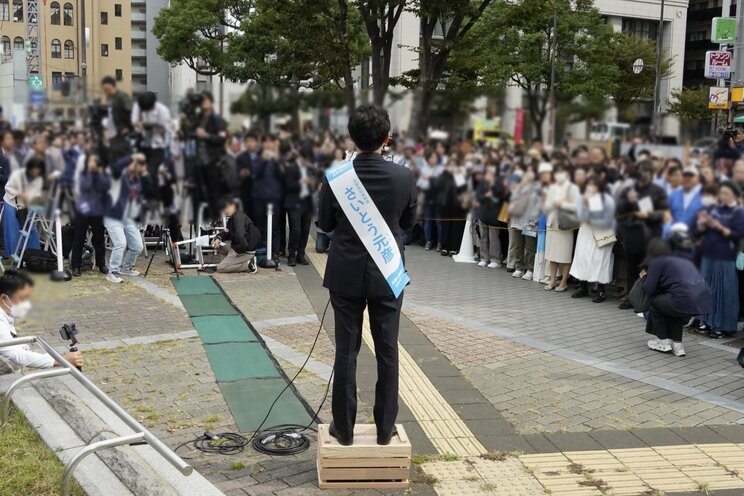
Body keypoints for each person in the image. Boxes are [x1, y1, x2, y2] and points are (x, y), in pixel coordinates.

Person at [317, 104, 417, 446]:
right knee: (388, 350)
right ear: (387, 138)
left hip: (345, 274)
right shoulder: (404, 177)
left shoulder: (336, 177)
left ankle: (343, 429)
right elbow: (408, 225)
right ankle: (385, 429)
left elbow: (326, 225)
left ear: (350, 137)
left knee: (346, 351)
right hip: (387, 274)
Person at [641, 234, 712, 357]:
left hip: (682, 299)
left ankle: (664, 341)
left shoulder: (658, 261)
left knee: (654, 302)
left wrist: (643, 278)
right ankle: (678, 345)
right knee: (672, 307)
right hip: (699, 301)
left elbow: (649, 288)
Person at [0, 270, 84, 370]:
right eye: (22, 298)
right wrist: (62, 360)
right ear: (4, 298)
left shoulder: (6, 314)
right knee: (13, 366)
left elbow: (12, 344)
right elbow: (16, 355)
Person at [616, 160, 669, 309]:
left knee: (649, 269)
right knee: (631, 268)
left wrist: (649, 214)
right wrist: (628, 200)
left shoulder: (658, 191)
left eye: (646, 172)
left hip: (650, 237)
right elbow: (619, 209)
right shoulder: (629, 190)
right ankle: (631, 298)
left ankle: (646, 300)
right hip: (632, 235)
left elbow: (664, 213)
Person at [694, 181, 744, 338]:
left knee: (724, 290)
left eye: (726, 193)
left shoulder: (738, 212)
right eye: (721, 193)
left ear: (734, 195)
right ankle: (704, 320)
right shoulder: (714, 209)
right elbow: (701, 232)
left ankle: (721, 325)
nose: (722, 196)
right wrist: (702, 224)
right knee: (706, 288)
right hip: (709, 254)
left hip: (726, 255)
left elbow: (737, 235)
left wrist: (720, 227)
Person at [103, 153, 152, 284]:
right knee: (120, 243)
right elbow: (117, 167)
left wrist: (145, 172)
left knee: (137, 246)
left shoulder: (137, 181)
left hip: (128, 217)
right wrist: (132, 157)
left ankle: (126, 267)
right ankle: (112, 272)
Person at [570, 177, 616, 303]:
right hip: (585, 232)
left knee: (599, 260)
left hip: (600, 233)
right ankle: (583, 286)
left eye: (593, 185)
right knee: (583, 258)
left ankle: (601, 290)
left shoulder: (606, 199)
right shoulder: (583, 198)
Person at [542, 162, 580, 292]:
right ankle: (552, 280)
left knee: (564, 255)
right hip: (552, 223)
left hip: (565, 224)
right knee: (552, 255)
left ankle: (563, 281)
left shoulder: (573, 188)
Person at [71, 154, 110, 277]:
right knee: (79, 238)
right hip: (83, 209)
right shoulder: (83, 174)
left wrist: (99, 173)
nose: (93, 163)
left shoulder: (102, 174)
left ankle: (101, 264)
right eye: (91, 161)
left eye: (95, 161)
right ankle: (76, 266)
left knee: (99, 238)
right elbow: (85, 186)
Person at [193, 91, 228, 220]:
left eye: (206, 100)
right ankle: (203, 220)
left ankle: (216, 220)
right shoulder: (198, 118)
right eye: (202, 100)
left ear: (211, 102)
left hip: (212, 160)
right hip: (198, 161)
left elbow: (222, 138)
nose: (204, 102)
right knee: (199, 192)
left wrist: (206, 135)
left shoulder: (216, 119)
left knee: (214, 193)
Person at [3, 158, 44, 255]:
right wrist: (21, 194)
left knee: (30, 229)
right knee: (14, 231)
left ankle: (33, 254)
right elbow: (8, 187)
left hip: (27, 205)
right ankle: (15, 254)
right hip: (12, 202)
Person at [252, 135, 284, 261]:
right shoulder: (257, 157)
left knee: (275, 227)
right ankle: (261, 251)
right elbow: (254, 174)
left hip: (275, 197)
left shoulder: (279, 158)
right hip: (260, 197)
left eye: (272, 142)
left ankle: (274, 252)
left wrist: (276, 160)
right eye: (267, 142)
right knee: (260, 225)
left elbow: (283, 175)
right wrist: (263, 160)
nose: (269, 145)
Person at [283, 146, 316, 266]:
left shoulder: (310, 168)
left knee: (305, 229)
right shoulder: (292, 168)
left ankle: (301, 254)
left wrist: (313, 184)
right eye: (305, 159)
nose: (307, 162)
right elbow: (288, 186)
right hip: (295, 203)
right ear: (301, 157)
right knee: (296, 230)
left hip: (307, 202)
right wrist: (301, 182)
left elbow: (314, 181)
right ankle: (291, 255)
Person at [131, 91, 173, 183]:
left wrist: (156, 127)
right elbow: (134, 122)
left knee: (152, 171)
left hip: (157, 145)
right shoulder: (138, 106)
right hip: (142, 143)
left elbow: (167, 129)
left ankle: (153, 195)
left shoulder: (163, 110)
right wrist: (141, 124)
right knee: (139, 169)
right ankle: (142, 193)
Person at [212, 199, 259, 274]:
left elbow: (243, 241)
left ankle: (248, 264)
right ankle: (230, 264)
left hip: (245, 251)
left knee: (220, 268)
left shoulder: (239, 218)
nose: (224, 211)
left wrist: (236, 251)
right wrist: (218, 238)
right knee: (218, 244)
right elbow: (226, 233)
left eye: (225, 208)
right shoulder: (232, 218)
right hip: (239, 247)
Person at [476, 163, 506, 268]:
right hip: (483, 213)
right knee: (483, 236)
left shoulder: (499, 183)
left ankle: (495, 259)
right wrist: (485, 196)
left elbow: (501, 197)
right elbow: (478, 196)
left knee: (494, 237)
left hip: (494, 213)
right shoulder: (482, 183)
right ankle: (484, 258)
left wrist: (493, 186)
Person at [101, 76, 133, 164]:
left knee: (121, 156)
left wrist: (127, 127)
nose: (106, 92)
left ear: (114, 86)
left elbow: (130, 112)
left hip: (121, 132)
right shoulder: (110, 99)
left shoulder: (122, 97)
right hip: (113, 133)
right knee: (114, 156)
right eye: (104, 90)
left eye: (108, 89)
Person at [418, 151, 444, 251]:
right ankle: (428, 241)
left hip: (438, 200)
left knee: (439, 223)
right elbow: (421, 184)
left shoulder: (441, 169)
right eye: (431, 157)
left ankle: (440, 242)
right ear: (428, 159)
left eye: (435, 157)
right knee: (427, 221)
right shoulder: (425, 169)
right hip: (428, 199)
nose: (433, 159)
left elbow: (441, 184)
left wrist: (429, 178)